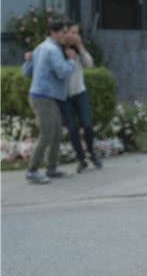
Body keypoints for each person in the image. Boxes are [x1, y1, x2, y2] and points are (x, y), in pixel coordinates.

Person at [21, 21, 76, 183]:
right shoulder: (52, 50)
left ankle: (51, 168)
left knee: (57, 133)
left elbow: (26, 72)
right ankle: (32, 171)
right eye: (63, 32)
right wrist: (71, 60)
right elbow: (62, 72)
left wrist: (28, 60)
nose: (66, 35)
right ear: (53, 32)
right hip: (43, 97)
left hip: (45, 96)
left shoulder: (40, 47)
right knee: (47, 135)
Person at [58, 21, 102, 172]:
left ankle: (92, 153)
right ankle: (81, 159)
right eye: (71, 32)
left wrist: (80, 46)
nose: (74, 35)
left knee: (87, 125)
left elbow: (89, 64)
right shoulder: (58, 50)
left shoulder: (78, 50)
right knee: (72, 129)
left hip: (80, 92)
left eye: (76, 33)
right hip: (65, 97)